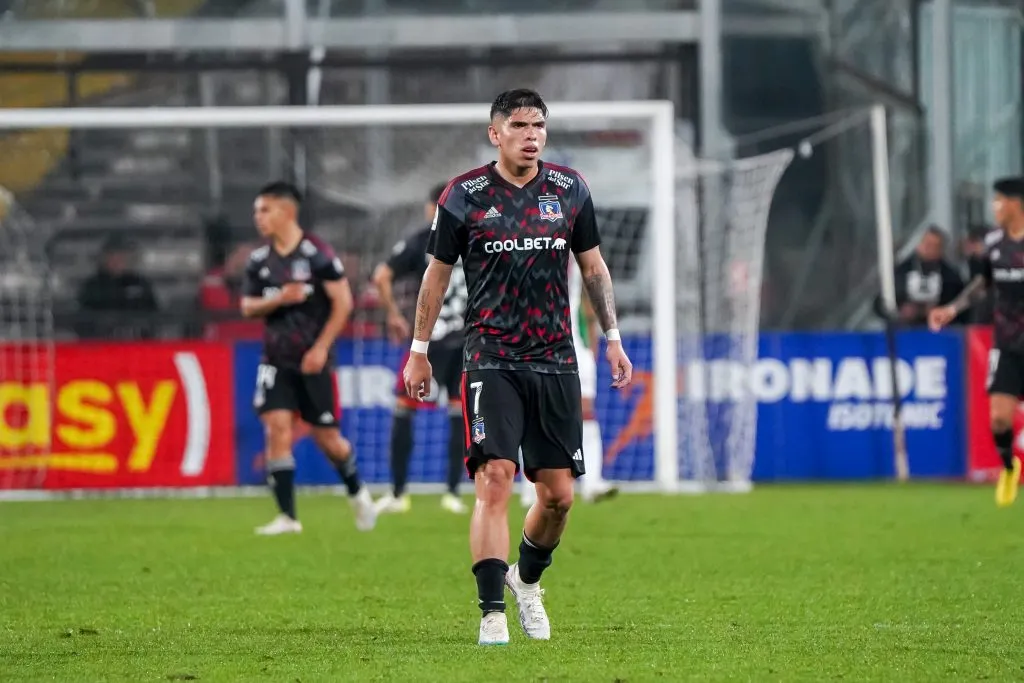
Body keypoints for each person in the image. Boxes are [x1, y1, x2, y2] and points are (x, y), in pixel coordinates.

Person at [402, 89, 633, 646]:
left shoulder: (569, 189)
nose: (532, 134)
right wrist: (419, 347)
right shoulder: (464, 195)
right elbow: (435, 276)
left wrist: (614, 338)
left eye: (539, 125)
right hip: (490, 359)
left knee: (557, 498)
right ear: (495, 134)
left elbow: (595, 268)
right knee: (495, 478)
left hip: (555, 359)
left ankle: (525, 583)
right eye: (520, 125)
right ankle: (491, 614)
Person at [240, 181, 377, 535]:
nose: (258, 217)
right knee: (276, 428)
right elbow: (247, 306)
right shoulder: (259, 261)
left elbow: (343, 302)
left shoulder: (317, 254)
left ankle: (357, 492)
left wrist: (321, 347)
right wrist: (278, 300)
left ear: (286, 211)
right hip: (275, 360)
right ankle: (288, 517)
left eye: (264, 210)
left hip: (312, 361)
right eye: (257, 211)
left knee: (327, 439)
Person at [371, 183, 470, 515]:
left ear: (431, 208)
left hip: (427, 341)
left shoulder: (421, 240)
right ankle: (453, 494)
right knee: (457, 416)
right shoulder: (476, 236)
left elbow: (381, 276)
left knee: (407, 410)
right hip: (464, 340)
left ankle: (399, 494)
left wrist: (393, 316)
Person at [930, 177, 1024, 507]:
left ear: (1015, 203)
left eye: (998, 201)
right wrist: (952, 309)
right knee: (999, 419)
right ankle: (1010, 468)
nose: (994, 208)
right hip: (1007, 342)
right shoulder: (996, 244)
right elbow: (982, 283)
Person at [521, 257, 617, 507]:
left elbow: (590, 288)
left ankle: (592, 482)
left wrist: (592, 335)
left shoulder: (575, 244)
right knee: (535, 412)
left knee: (585, 411)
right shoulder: (524, 236)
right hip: (534, 340)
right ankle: (531, 486)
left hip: (573, 342)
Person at [874, 225, 964, 326]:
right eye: (926, 243)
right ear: (919, 244)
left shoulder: (951, 277)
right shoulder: (900, 271)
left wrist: (942, 310)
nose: (927, 249)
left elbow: (961, 308)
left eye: (933, 246)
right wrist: (899, 311)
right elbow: (880, 303)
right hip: (903, 331)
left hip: (939, 331)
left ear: (941, 250)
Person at [75, 235, 159, 339]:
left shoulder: (141, 284)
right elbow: (83, 320)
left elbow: (153, 317)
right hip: (101, 344)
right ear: (104, 258)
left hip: (136, 342)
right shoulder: (92, 286)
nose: (117, 261)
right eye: (112, 256)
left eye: (121, 256)